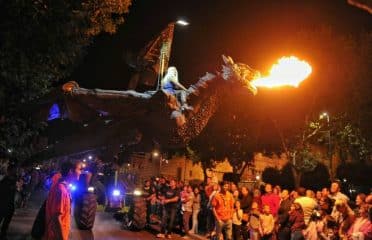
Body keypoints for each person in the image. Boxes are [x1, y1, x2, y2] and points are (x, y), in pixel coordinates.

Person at [44, 161, 80, 240]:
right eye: (79, 169)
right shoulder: (61, 190)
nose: (80, 172)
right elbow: (56, 218)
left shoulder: (64, 189)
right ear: (70, 171)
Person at [0, 164, 17, 240]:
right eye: (13, 170)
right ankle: (3, 234)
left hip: (10, 205)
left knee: (7, 221)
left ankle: (3, 234)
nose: (15, 171)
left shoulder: (14, 180)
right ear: (9, 171)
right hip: (3, 204)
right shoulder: (4, 180)